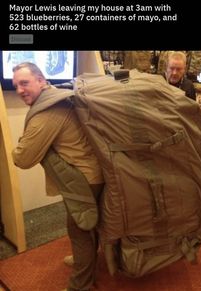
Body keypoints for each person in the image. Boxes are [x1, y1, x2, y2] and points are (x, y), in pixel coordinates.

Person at [11, 62, 104, 291]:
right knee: (87, 224)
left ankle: (80, 285)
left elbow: (22, 158)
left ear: (41, 81)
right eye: (16, 86)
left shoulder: (48, 110)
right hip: (87, 174)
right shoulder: (55, 97)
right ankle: (87, 261)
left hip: (82, 179)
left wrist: (20, 146)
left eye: (25, 83)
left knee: (79, 228)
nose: (20, 90)